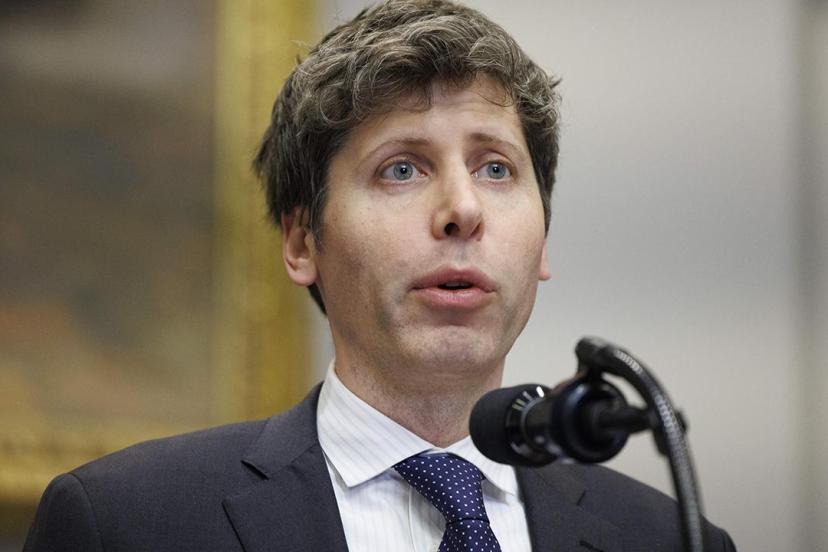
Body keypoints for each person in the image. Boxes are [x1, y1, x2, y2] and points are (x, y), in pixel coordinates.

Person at [24, 1, 736, 550]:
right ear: (302, 241)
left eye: (495, 168)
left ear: (542, 238)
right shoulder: (125, 523)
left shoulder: (670, 539)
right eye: (402, 169)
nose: (463, 209)